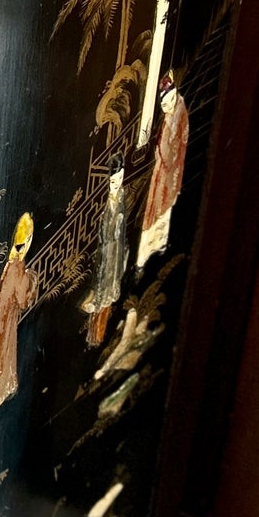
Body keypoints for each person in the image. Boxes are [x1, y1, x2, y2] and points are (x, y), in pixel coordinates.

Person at [0, 213, 37, 410]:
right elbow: (23, 300)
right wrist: (32, 279)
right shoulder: (17, 268)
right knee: (3, 356)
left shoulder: (10, 265)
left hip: (2, 319)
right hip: (5, 322)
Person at [137, 74, 189, 270]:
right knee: (154, 208)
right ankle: (149, 247)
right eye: (164, 104)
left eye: (170, 102)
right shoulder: (170, 115)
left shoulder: (179, 114)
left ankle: (155, 245)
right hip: (162, 171)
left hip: (168, 173)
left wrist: (160, 153)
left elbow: (173, 150)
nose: (167, 107)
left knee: (161, 208)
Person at [83, 155, 128, 347]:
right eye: (113, 181)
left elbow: (122, 227)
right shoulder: (107, 202)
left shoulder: (120, 199)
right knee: (102, 289)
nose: (116, 185)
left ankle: (99, 335)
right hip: (105, 251)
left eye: (119, 180)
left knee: (110, 293)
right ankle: (94, 335)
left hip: (115, 250)